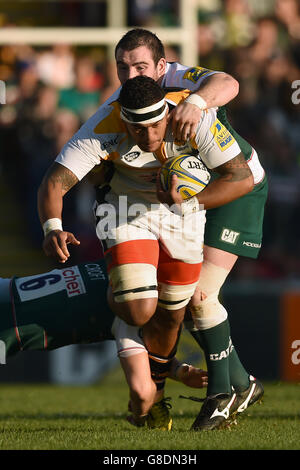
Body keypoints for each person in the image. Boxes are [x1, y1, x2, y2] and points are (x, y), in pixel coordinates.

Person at [37, 74, 254, 431]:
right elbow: (55, 181)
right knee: (139, 309)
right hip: (125, 209)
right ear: (124, 119)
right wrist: (53, 227)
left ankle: (156, 392)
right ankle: (119, 305)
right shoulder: (102, 125)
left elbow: (241, 177)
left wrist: (190, 201)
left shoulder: (193, 118)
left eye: (156, 126)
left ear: (167, 114)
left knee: (171, 314)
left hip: (184, 214)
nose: (151, 137)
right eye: (139, 130)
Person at [111, 29, 267, 431]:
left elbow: (227, 82)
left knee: (200, 296)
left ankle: (222, 394)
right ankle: (241, 383)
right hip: (193, 194)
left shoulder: (181, 80)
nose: (131, 76)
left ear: (162, 67)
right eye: (123, 68)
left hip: (236, 186)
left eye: (141, 66)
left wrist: (196, 102)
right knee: (185, 300)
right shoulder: (127, 105)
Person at [0, 259, 208, 430]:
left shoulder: (126, 265)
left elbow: (152, 350)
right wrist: (140, 416)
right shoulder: (131, 318)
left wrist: (179, 371)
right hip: (10, 329)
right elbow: (142, 392)